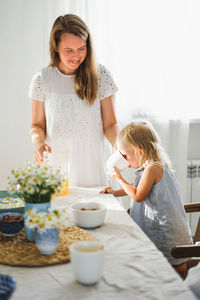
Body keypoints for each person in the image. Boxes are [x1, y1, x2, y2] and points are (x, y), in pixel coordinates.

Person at [28, 14, 119, 187]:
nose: (76, 56)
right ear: (56, 47)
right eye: (69, 50)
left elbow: (110, 125)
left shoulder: (101, 76)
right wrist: (39, 144)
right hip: (58, 163)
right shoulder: (42, 80)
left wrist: (121, 147)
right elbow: (37, 126)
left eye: (81, 48)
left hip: (94, 162)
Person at [101, 121, 193, 279]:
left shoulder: (153, 168)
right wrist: (116, 192)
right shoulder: (149, 167)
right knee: (162, 262)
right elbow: (137, 187)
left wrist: (119, 178)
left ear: (140, 151)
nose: (123, 159)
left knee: (174, 264)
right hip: (161, 227)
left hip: (166, 231)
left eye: (124, 155)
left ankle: (177, 287)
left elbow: (138, 195)